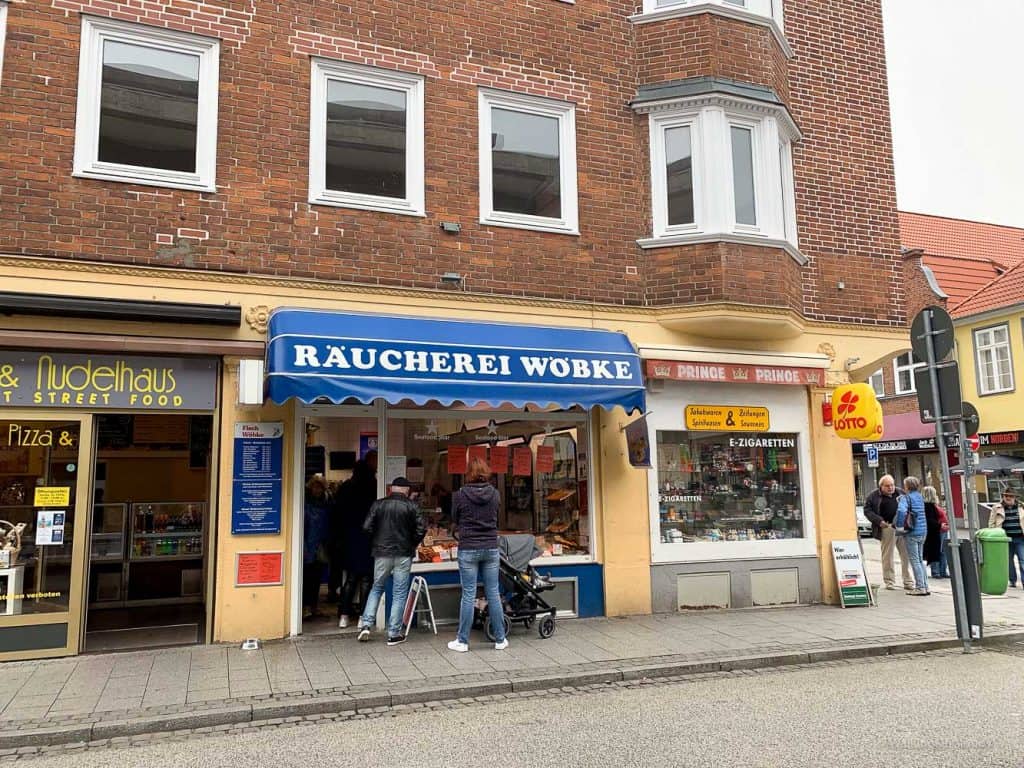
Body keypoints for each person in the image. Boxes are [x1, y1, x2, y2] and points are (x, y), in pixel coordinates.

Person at [448, 457, 509, 653]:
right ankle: (500, 639)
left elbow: (454, 518)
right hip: (491, 547)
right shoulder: (495, 494)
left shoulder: (459, 495)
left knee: (468, 594)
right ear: (487, 472)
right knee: (493, 593)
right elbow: (496, 517)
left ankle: (462, 641)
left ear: (469, 473)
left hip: (468, 547)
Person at [357, 476, 425, 646]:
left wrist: (377, 541)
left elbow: (366, 527)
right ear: (407, 491)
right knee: (399, 592)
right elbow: (421, 529)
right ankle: (394, 634)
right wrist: (412, 543)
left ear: (391, 489)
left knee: (377, 587)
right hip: (403, 553)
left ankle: (366, 624)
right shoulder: (412, 506)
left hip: (381, 553)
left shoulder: (378, 504)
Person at [334, 458, 377, 628]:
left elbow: (337, 513)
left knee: (351, 578)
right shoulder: (374, 487)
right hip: (368, 537)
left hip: (349, 538)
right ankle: (363, 617)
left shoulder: (346, 487)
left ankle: (344, 616)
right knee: (366, 579)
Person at [863, 475, 914, 591]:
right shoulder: (873, 496)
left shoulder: (900, 492)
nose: (891, 487)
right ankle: (889, 581)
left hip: (902, 527)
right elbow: (867, 510)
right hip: (887, 526)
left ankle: (908, 581)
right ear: (881, 486)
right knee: (888, 556)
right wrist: (879, 521)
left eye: (892, 485)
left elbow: (910, 506)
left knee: (906, 555)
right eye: (887, 486)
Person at [302, 474, 332, 618]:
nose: (317, 490)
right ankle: (305, 606)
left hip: (321, 545)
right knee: (307, 578)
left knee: (317, 578)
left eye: (320, 487)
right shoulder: (305, 505)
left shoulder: (327, 504)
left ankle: (313, 606)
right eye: (315, 487)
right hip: (309, 546)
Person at [896, 476, 928, 595]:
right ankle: (925, 586)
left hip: (911, 532)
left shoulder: (906, 498)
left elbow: (901, 511)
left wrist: (900, 526)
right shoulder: (920, 496)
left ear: (907, 486)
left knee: (914, 560)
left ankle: (920, 587)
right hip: (923, 531)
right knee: (920, 559)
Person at [992, 485, 1023, 588]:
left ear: (1015, 497)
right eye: (1006, 496)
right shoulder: (997, 508)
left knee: (1022, 559)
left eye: (1010, 496)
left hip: (1020, 538)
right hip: (1004, 539)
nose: (1008, 498)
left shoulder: (1021, 507)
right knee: (1008, 561)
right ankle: (1012, 580)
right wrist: (993, 535)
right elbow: (991, 523)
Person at [922, 485, 950, 579]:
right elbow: (929, 520)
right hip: (936, 532)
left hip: (941, 530)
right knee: (936, 551)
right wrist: (940, 525)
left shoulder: (933, 505)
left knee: (942, 551)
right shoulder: (928, 506)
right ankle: (936, 571)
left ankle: (942, 571)